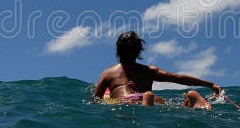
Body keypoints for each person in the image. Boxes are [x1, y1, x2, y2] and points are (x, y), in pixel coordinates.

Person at [92, 31, 221, 108]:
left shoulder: (108, 73)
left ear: (118, 51)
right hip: (155, 100)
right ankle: (192, 97)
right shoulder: (149, 71)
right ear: (139, 52)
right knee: (171, 105)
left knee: (141, 106)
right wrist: (210, 84)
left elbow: (94, 101)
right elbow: (179, 78)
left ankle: (147, 101)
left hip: (127, 101)